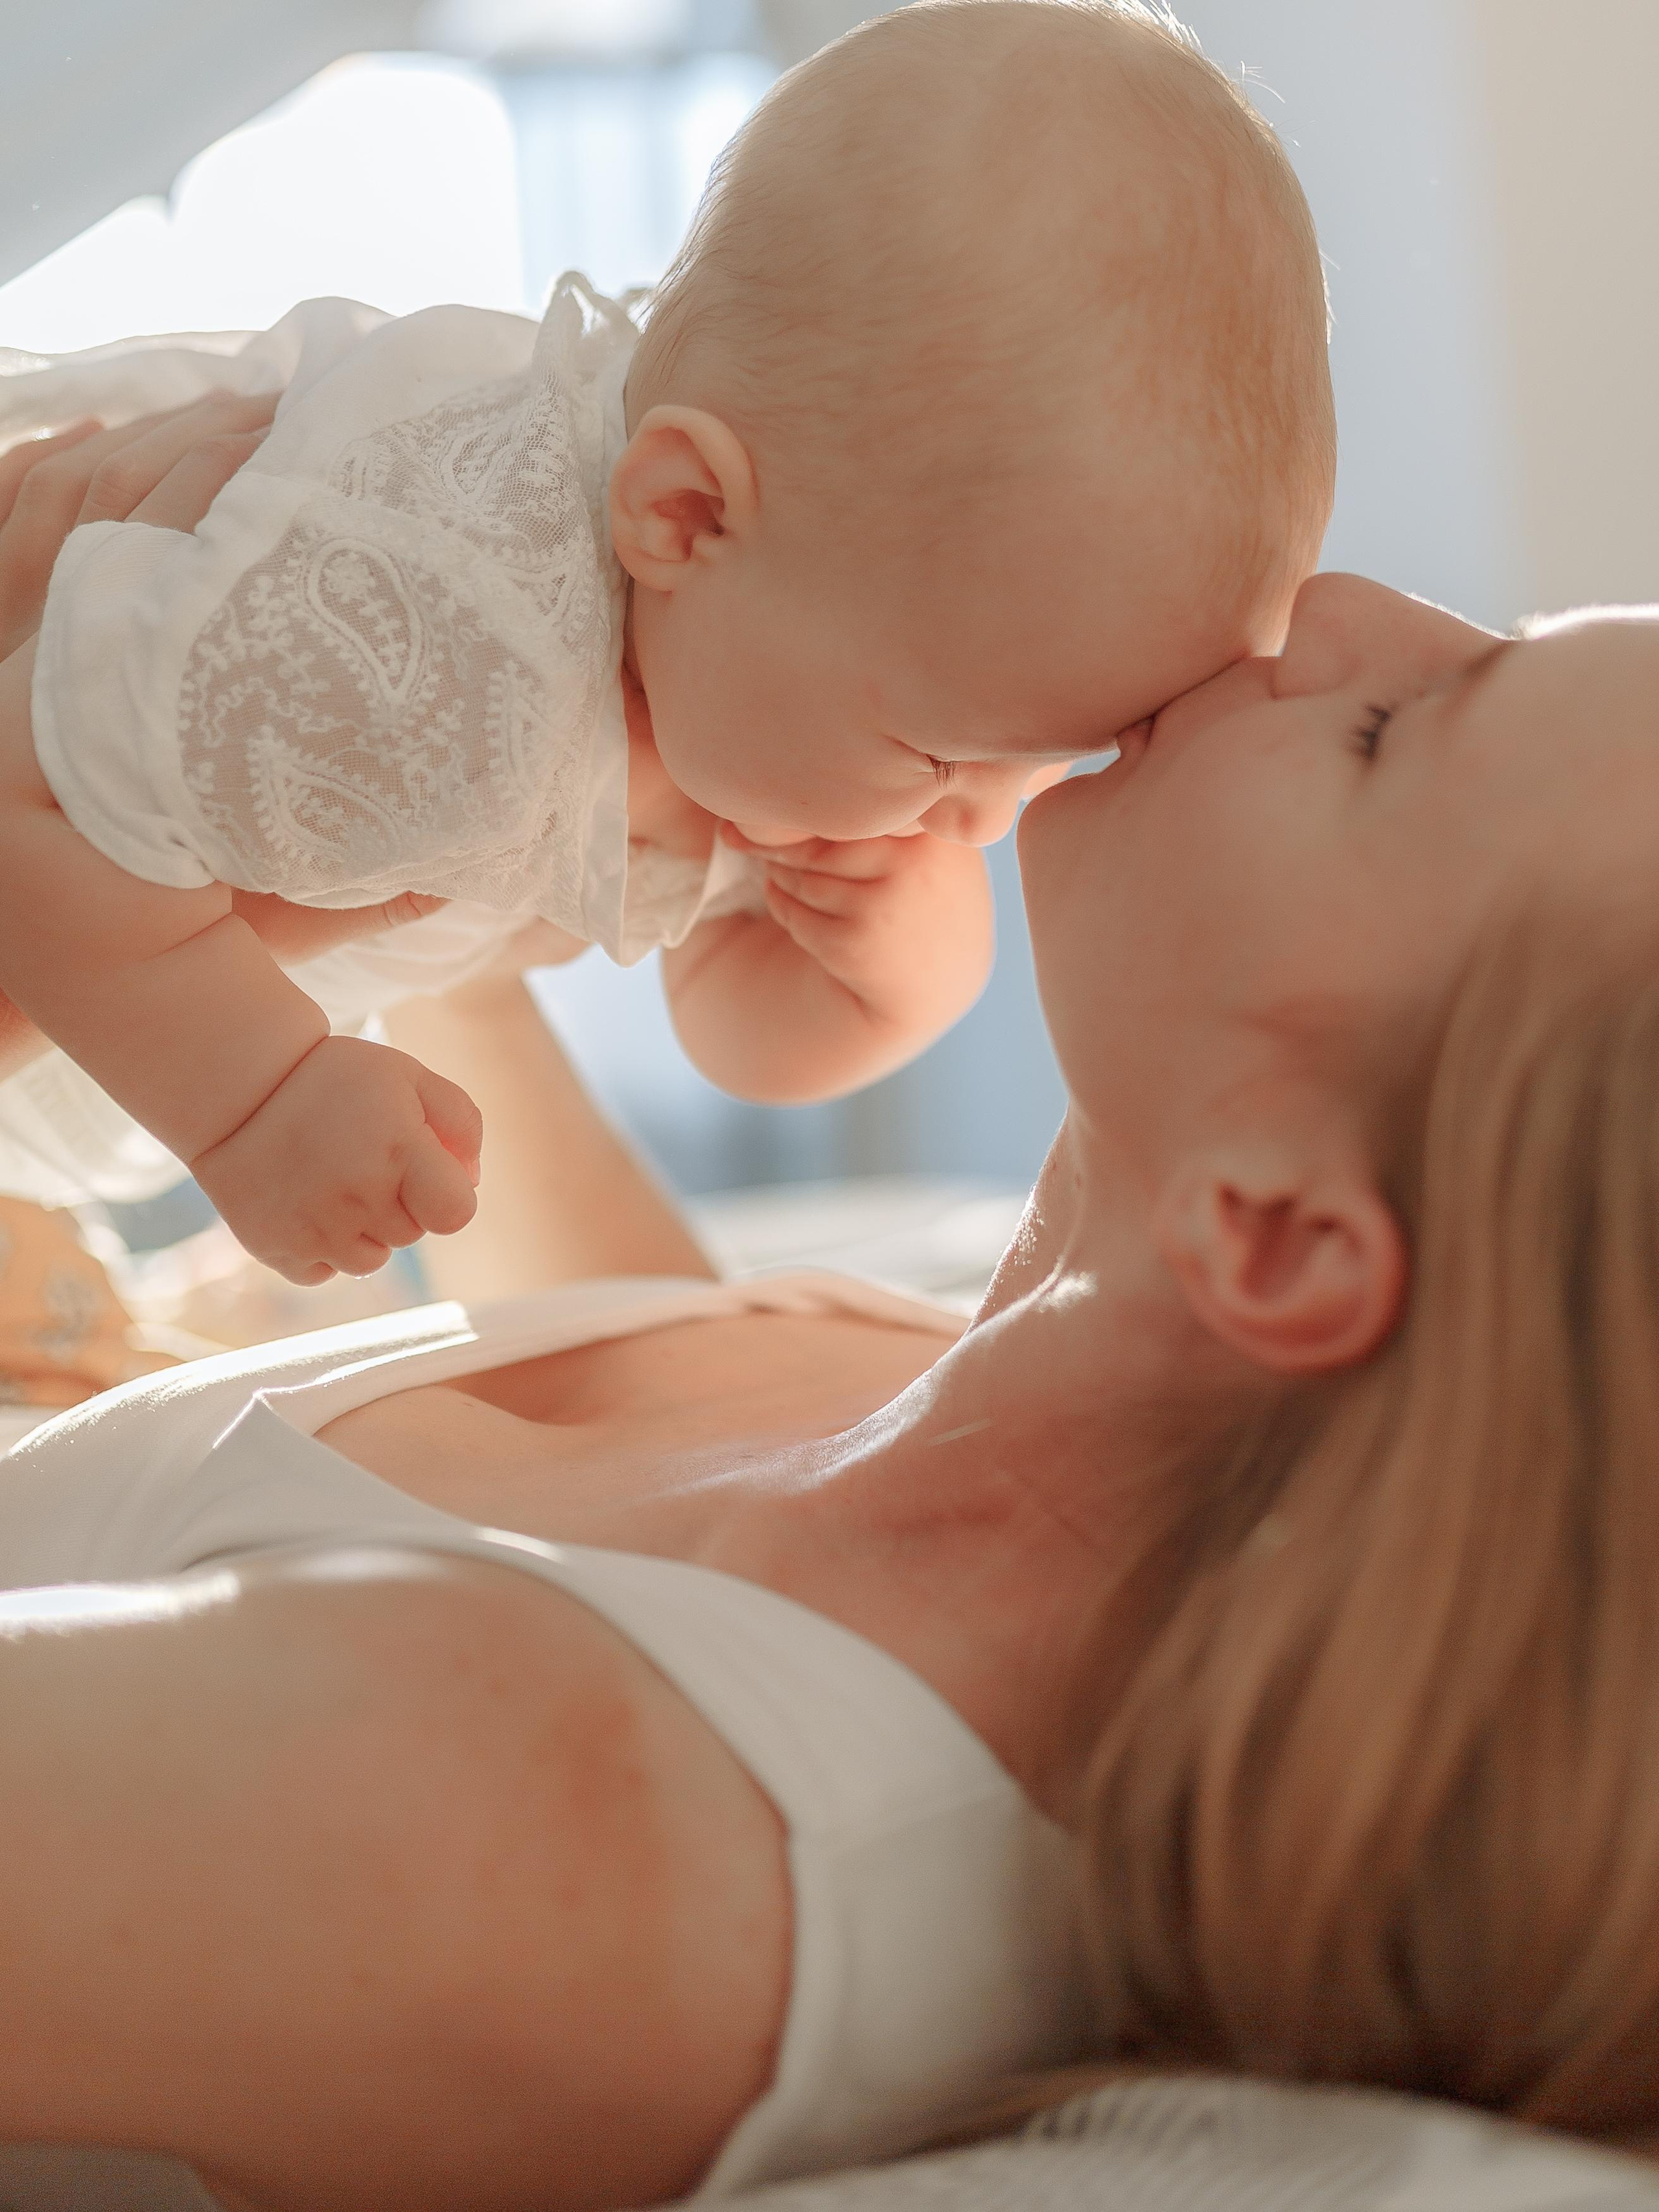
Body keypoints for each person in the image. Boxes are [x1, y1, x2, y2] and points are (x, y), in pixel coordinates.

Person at [5, 543, 1659, 2212]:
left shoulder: (563, 1844)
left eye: (1385, 731)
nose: (1314, 604)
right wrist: (464, 947)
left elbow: (531, 1668)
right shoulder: (968, 1418)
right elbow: (635, 1441)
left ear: (1280, 1234)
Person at [0, 0, 1335, 1284]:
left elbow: (728, 1024)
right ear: (681, 514)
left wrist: (891, 978)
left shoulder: (760, 630)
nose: (978, 826)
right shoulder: (447, 624)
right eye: (941, 756)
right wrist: (259, 1103)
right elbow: (30, 817)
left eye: (1033, 769)